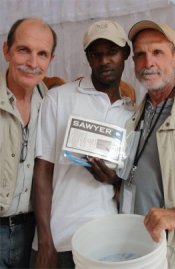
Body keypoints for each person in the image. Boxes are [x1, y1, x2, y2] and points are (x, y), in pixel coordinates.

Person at [30, 20, 133, 268]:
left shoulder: (133, 114)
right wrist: (45, 242)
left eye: (112, 52)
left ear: (126, 54)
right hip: (60, 241)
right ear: (87, 57)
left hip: (108, 245)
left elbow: (128, 184)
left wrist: (113, 180)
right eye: (96, 54)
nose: (104, 61)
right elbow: (42, 170)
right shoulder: (59, 98)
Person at [120, 20, 175, 269]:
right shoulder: (132, 117)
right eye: (140, 55)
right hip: (136, 250)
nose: (148, 63)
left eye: (157, 52)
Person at [0, 18, 56, 268]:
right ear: (6, 51)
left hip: (32, 233)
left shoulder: (52, 104)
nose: (33, 63)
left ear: (50, 60)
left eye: (42, 54)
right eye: (24, 50)